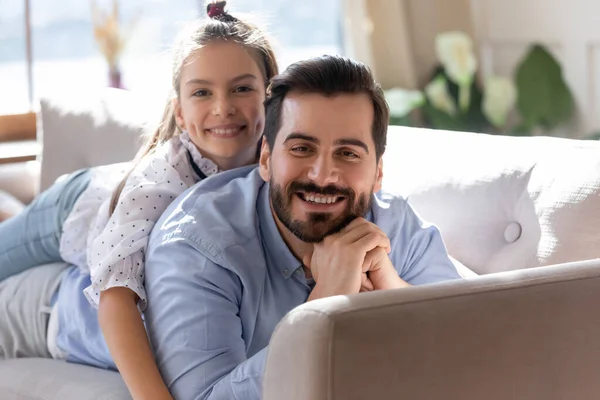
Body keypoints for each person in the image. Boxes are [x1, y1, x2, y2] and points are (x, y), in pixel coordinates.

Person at [0, 2, 278, 399]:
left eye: (242, 88)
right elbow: (116, 297)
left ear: (270, 94)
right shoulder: (161, 184)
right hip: (72, 210)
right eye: (202, 92)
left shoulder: (280, 160)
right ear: (180, 113)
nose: (223, 107)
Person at [143, 54, 462, 399]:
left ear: (378, 173)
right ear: (266, 158)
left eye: (348, 154)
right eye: (301, 148)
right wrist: (326, 302)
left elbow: (467, 347)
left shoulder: (396, 227)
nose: (322, 176)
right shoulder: (197, 245)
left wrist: (389, 290)